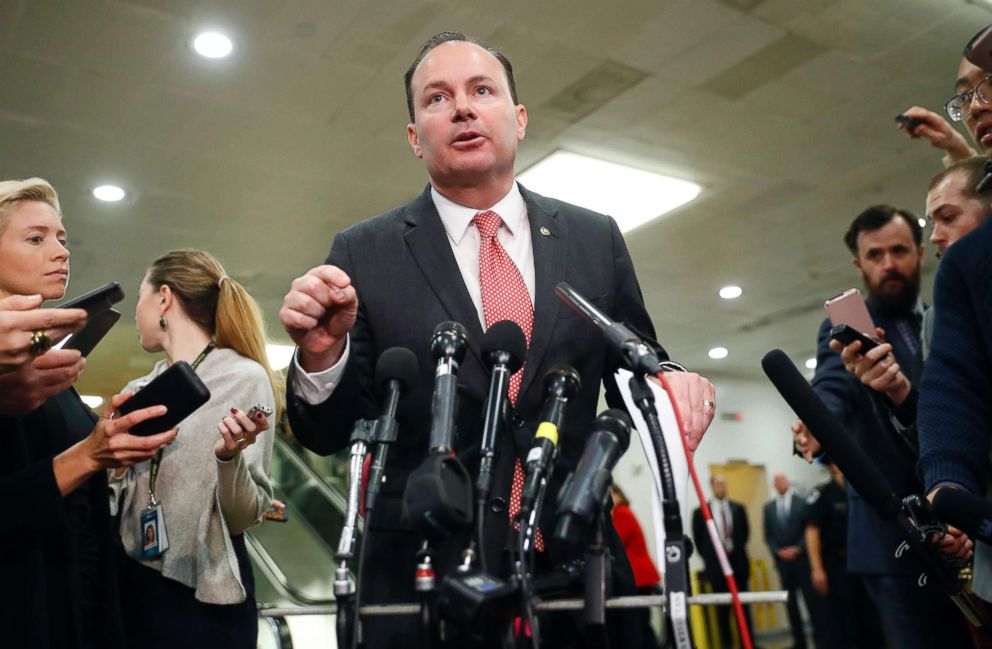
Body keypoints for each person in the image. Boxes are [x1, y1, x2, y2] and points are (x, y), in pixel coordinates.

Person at [280, 31, 716, 648]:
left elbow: (630, 377)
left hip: (574, 568)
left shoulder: (595, 239)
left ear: (518, 118)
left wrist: (670, 384)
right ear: (414, 137)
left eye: (481, 90)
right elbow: (326, 434)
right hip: (424, 580)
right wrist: (321, 357)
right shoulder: (363, 251)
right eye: (437, 98)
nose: (461, 108)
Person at [0, 177, 177, 649]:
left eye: (61, 238)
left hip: (78, 598)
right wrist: (88, 456)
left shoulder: (47, 363)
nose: (61, 251)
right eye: (36, 239)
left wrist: (105, 440)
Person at [792, 205, 972, 647]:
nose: (889, 264)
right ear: (859, 263)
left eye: (898, 250)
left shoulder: (945, 320)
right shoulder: (848, 329)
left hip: (959, 523)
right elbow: (832, 387)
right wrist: (818, 421)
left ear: (920, 251)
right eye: (875, 255)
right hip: (890, 536)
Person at [112, 249, 281, 649]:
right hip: (133, 583)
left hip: (206, 592)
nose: (135, 311)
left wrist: (228, 459)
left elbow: (241, 517)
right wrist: (112, 462)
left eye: (141, 296)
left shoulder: (242, 378)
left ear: (164, 298)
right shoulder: (137, 391)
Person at [803, 463, 884, 649]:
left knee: (872, 619)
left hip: (866, 562)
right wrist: (817, 568)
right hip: (838, 566)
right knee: (843, 619)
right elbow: (812, 531)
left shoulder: (862, 489)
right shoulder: (822, 493)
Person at [691, 474, 749, 649]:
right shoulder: (701, 511)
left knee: (744, 609)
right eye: (718, 484)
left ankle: (748, 643)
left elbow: (745, 534)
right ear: (712, 486)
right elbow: (699, 540)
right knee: (722, 612)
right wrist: (715, 557)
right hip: (716, 569)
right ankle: (727, 645)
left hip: (738, 566)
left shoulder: (738, 508)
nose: (722, 487)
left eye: (724, 483)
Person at [762, 473, 815, 649]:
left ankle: (818, 637)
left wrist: (798, 548)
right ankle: (799, 641)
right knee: (791, 605)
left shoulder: (802, 502)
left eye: (783, 480)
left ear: (788, 482)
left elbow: (809, 530)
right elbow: (768, 536)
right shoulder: (768, 508)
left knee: (811, 601)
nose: (780, 483)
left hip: (803, 561)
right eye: (776, 481)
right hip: (783, 564)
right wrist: (778, 552)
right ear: (774, 485)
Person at [610, 485, 661, 649]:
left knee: (639, 623)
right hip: (640, 576)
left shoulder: (622, 513)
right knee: (641, 622)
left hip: (638, 577)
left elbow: (616, 541)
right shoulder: (623, 512)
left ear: (618, 495)